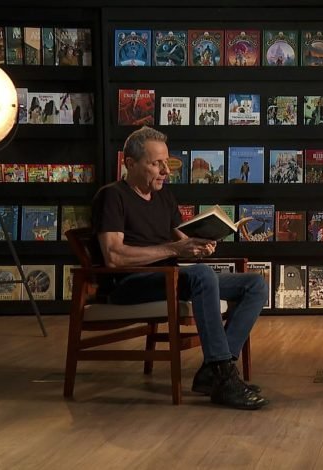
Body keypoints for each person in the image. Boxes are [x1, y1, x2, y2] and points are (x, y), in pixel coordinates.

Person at [91, 126, 269, 410]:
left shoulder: (163, 196)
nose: (166, 171)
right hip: (129, 283)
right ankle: (224, 378)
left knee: (255, 284)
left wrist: (201, 244)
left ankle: (213, 372)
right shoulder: (112, 196)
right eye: (156, 164)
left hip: (168, 278)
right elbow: (114, 256)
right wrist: (174, 250)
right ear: (130, 164)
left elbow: (182, 239)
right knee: (202, 275)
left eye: (167, 163)